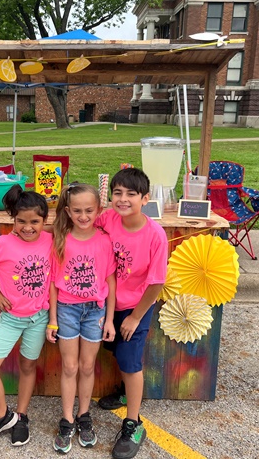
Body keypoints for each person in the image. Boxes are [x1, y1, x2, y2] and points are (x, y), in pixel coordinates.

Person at [0, 185, 53, 447]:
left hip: (39, 318)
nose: (28, 227)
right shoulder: (2, 244)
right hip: (10, 318)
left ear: (44, 221)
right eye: (21, 221)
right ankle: (3, 416)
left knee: (28, 366)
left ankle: (22, 416)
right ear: (13, 220)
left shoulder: (50, 241)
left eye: (35, 222)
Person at [95, 168, 168, 459]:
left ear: (145, 199)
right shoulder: (107, 219)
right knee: (115, 350)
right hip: (106, 302)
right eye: (117, 193)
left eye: (131, 194)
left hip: (136, 307)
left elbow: (157, 283)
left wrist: (136, 316)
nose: (123, 199)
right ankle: (125, 392)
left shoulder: (155, 236)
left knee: (129, 361)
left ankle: (133, 422)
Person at [46, 183, 117, 454]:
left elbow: (110, 280)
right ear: (68, 211)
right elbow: (53, 283)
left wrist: (109, 319)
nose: (84, 216)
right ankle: (67, 418)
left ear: (98, 210)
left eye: (89, 210)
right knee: (70, 367)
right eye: (77, 211)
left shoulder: (104, 240)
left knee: (88, 367)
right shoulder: (61, 239)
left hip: (95, 312)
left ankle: (84, 415)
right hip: (67, 310)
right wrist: (53, 319)